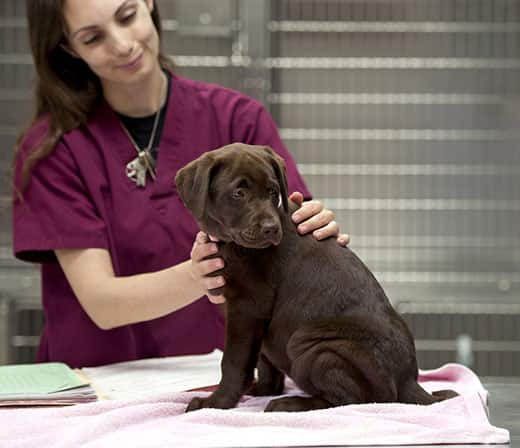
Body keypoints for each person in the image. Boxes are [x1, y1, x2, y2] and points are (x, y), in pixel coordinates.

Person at [12, 0, 350, 368]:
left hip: (219, 381)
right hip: (100, 385)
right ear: (67, 48)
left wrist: (314, 232)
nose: (122, 44)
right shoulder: (54, 149)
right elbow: (102, 303)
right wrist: (198, 275)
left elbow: (285, 238)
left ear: (149, 3)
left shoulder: (238, 121)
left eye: (127, 16)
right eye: (93, 38)